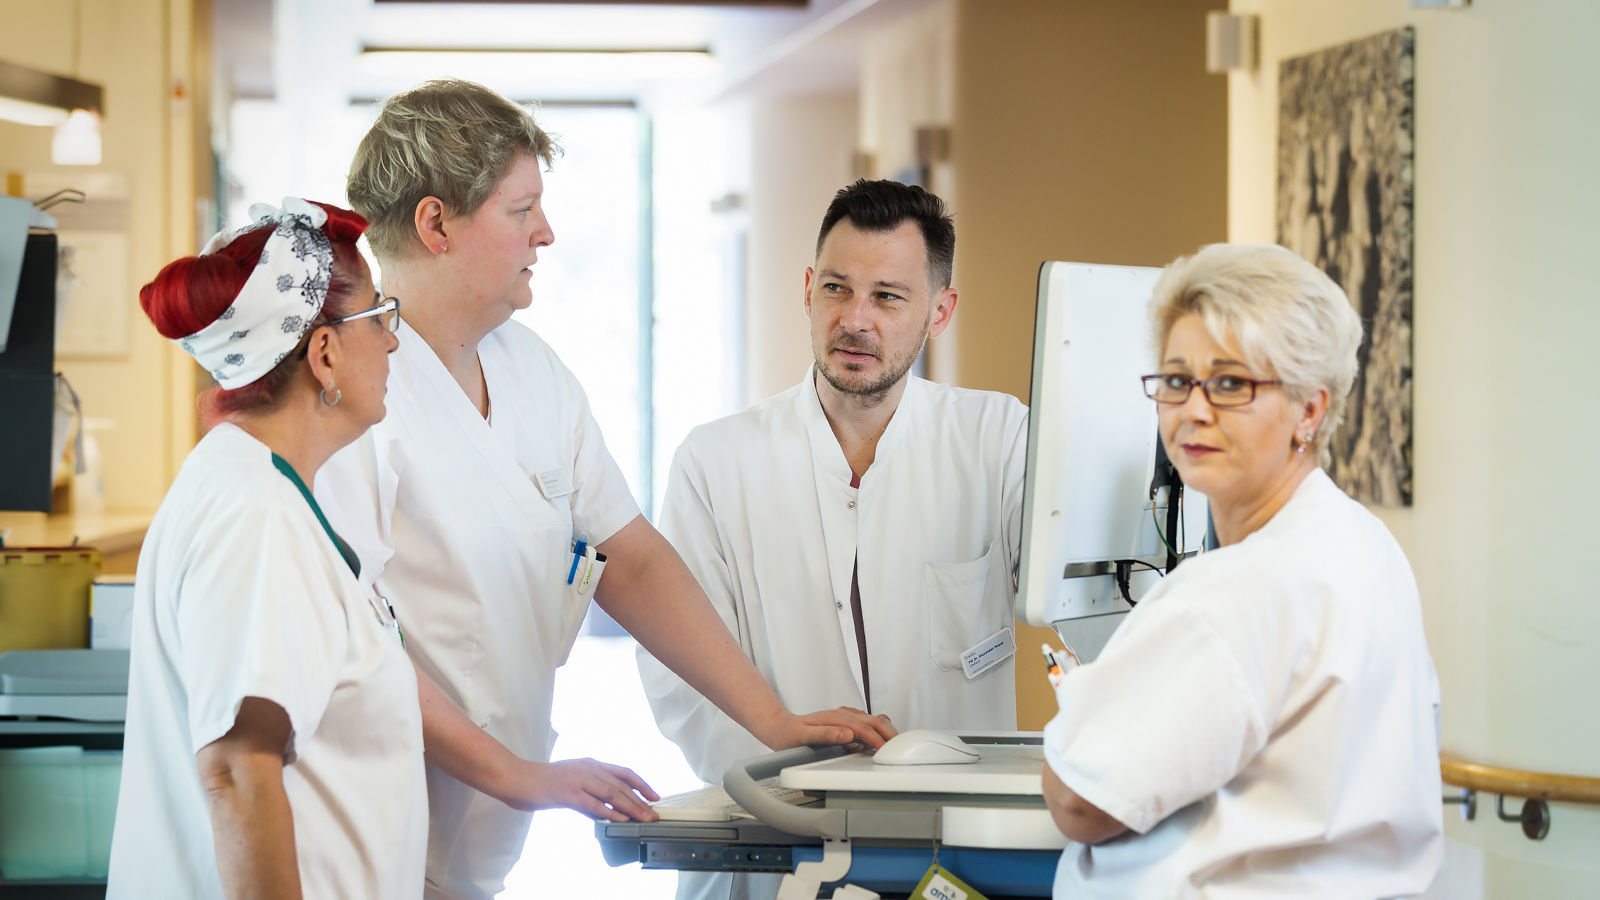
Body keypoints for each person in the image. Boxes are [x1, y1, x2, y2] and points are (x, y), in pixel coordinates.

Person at [313, 79, 893, 899]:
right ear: (436, 223)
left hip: (481, 840)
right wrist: (517, 775)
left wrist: (773, 721)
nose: (544, 234)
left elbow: (631, 558)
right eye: (521, 212)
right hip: (369, 834)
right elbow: (357, 643)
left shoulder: (533, 371)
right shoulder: (359, 399)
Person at [637, 179, 1029, 900]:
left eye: (887, 296)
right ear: (808, 290)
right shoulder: (717, 460)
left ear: (939, 312)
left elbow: (1080, 592)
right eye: (838, 290)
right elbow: (676, 672)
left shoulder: (999, 440)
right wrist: (793, 776)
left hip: (956, 856)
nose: (855, 320)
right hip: (773, 841)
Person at [1040, 243, 1442, 896]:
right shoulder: (1362, 543)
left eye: (1231, 384)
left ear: (1309, 409)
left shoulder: (1238, 588)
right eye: (1176, 380)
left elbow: (1082, 803)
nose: (1193, 409)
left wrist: (1088, 717)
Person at [106, 199, 422, 898]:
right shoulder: (258, 517)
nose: (394, 341)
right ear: (325, 352)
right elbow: (237, 773)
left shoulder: (259, 490)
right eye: (381, 316)